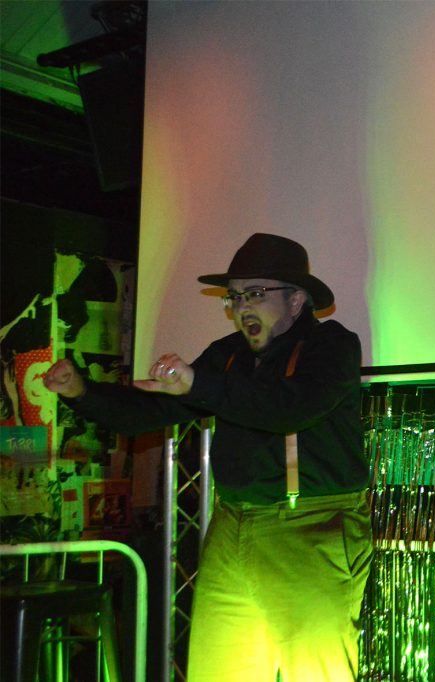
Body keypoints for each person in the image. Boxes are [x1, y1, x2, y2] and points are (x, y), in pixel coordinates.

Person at [43, 233, 371, 682]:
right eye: (234, 298)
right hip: (231, 525)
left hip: (310, 527)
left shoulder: (331, 346)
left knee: (315, 672)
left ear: (296, 300)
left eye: (255, 294)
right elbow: (154, 411)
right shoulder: (228, 355)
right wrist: (82, 392)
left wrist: (199, 384)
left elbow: (288, 408)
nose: (241, 308)